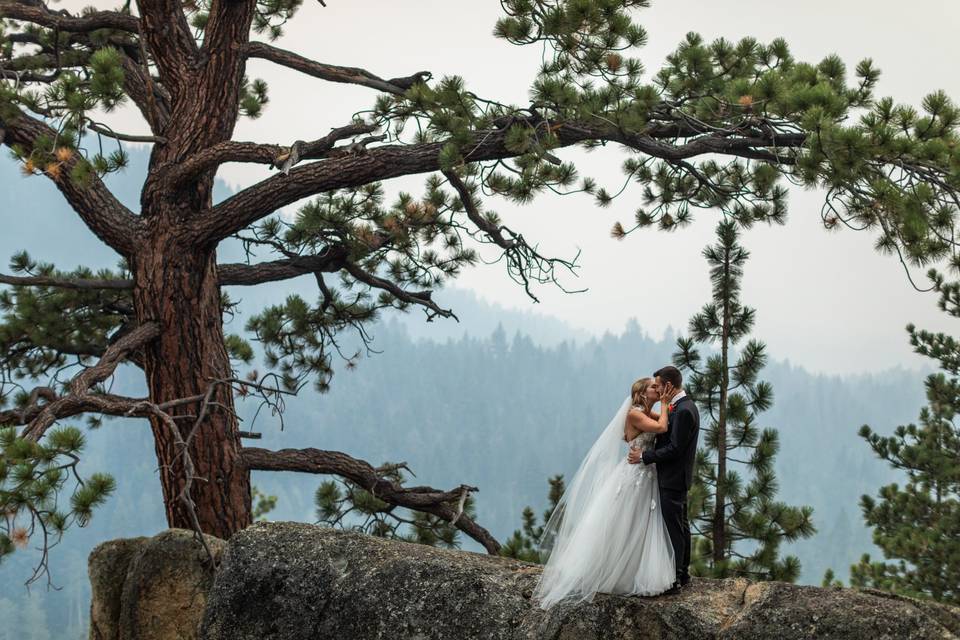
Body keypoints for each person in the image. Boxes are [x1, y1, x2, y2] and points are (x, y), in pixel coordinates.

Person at [533, 377, 679, 609]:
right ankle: (609, 572)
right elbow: (661, 427)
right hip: (633, 475)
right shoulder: (635, 413)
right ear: (642, 393)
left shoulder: (646, 413)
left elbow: (667, 424)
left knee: (641, 523)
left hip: (646, 473)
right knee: (624, 520)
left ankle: (633, 573)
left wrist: (668, 406)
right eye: (653, 387)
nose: (657, 389)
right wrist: (665, 403)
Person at [628, 365, 700, 592]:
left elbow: (675, 448)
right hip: (670, 476)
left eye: (658, 385)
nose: (657, 389)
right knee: (680, 525)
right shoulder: (677, 407)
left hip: (672, 477)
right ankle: (682, 573)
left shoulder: (684, 409)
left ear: (668, 385)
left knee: (675, 527)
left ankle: (676, 578)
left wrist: (645, 456)